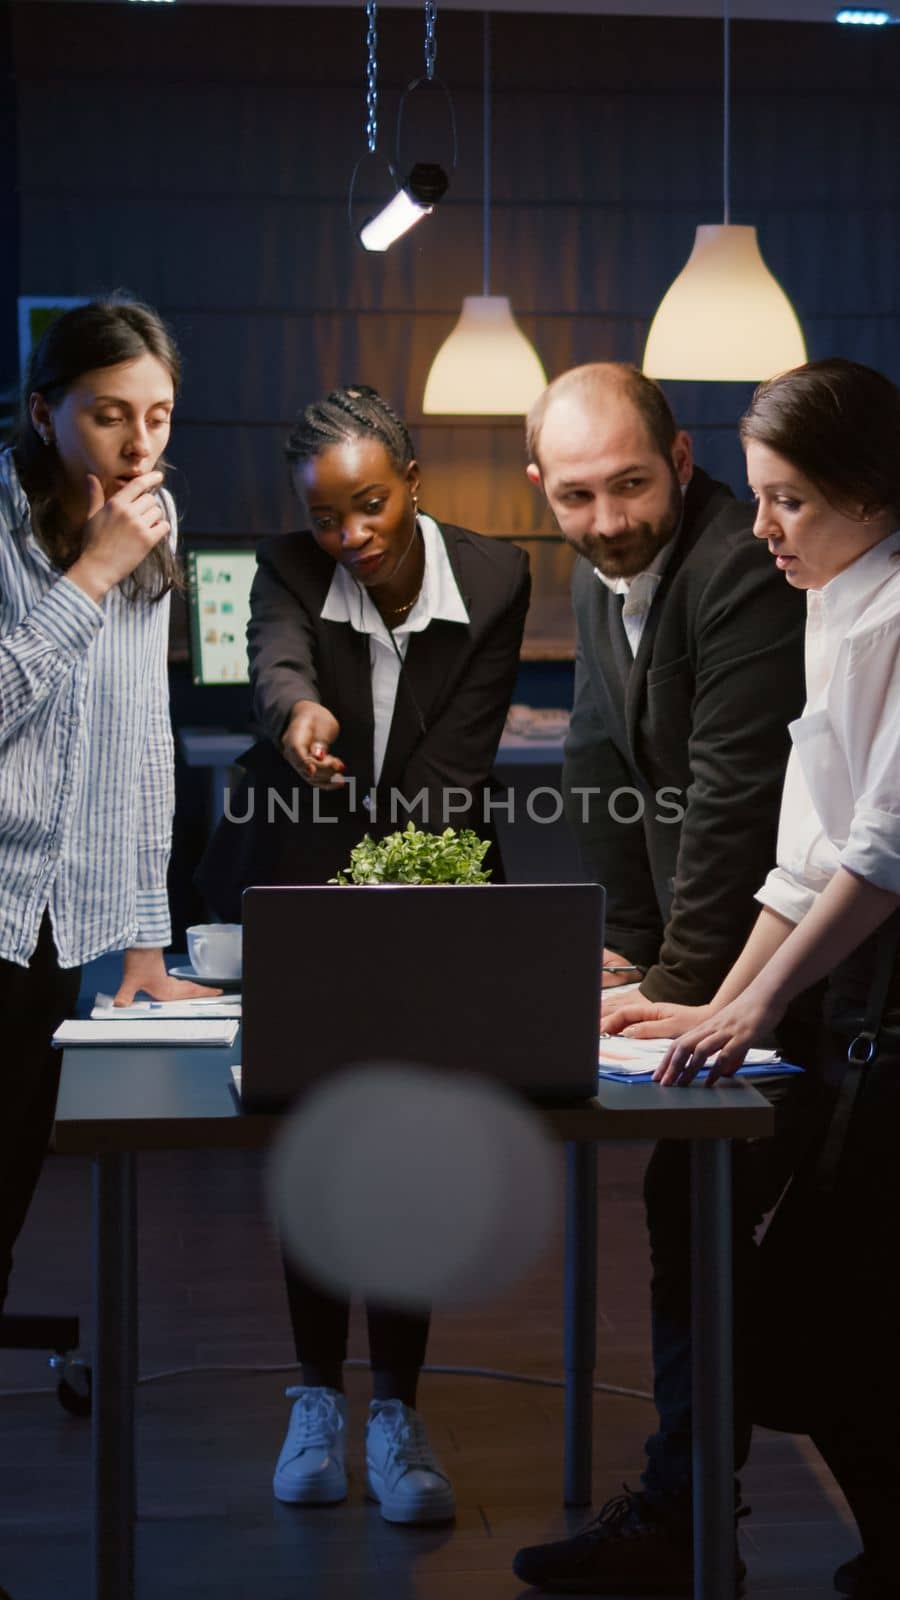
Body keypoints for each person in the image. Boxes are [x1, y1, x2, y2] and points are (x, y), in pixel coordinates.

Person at [198, 384, 530, 1523]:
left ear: (413, 480)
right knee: (317, 1132)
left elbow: (458, 768)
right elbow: (277, 660)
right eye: (329, 516)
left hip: (430, 885)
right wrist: (299, 720)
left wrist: (400, 888)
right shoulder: (291, 563)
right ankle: (311, 1395)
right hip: (305, 878)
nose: (352, 537)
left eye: (371, 507)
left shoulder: (492, 575)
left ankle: (396, 1408)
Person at [598, 358, 900, 1600]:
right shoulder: (834, 595)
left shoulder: (892, 611)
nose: (762, 525)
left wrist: (759, 1006)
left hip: (885, 1006)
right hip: (845, 992)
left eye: (788, 501)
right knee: (811, 1291)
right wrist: (721, 999)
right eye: (761, 497)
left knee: (839, 1304)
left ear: (869, 492)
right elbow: (803, 853)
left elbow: (882, 855)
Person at [513, 362, 813, 1595]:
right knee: (690, 1223)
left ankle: (691, 1523)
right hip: (702, 961)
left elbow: (734, 796)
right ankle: (691, 1513)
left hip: (795, 966)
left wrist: (680, 978)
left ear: (681, 460)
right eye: (577, 496)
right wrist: (630, 946)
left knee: (732, 1232)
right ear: (544, 489)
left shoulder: (738, 565)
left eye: (631, 486)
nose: (608, 520)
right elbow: (600, 764)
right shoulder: (596, 572)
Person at [0, 299, 214, 1322]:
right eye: (109, 415)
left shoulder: (149, 532)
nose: (140, 446)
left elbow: (139, 742)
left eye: (160, 415)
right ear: (45, 413)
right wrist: (89, 572)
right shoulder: (19, 526)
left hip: (47, 931)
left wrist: (143, 944)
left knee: (9, 1186)